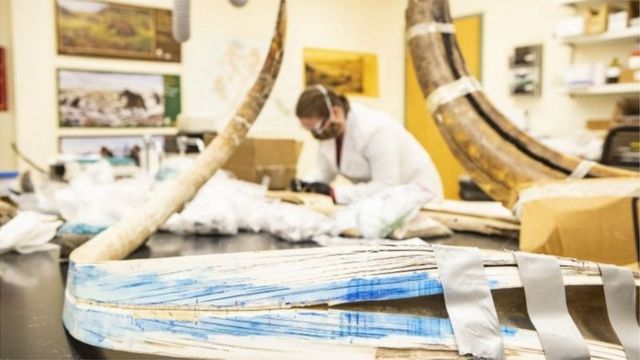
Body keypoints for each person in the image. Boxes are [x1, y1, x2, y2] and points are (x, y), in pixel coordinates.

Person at [291, 84, 443, 205]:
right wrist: (305, 184)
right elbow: (325, 171)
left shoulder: (374, 129)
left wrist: (334, 193)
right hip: (384, 202)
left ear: (335, 112)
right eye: (308, 129)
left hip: (418, 195)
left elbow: (386, 185)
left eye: (316, 128)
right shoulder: (329, 132)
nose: (315, 134)